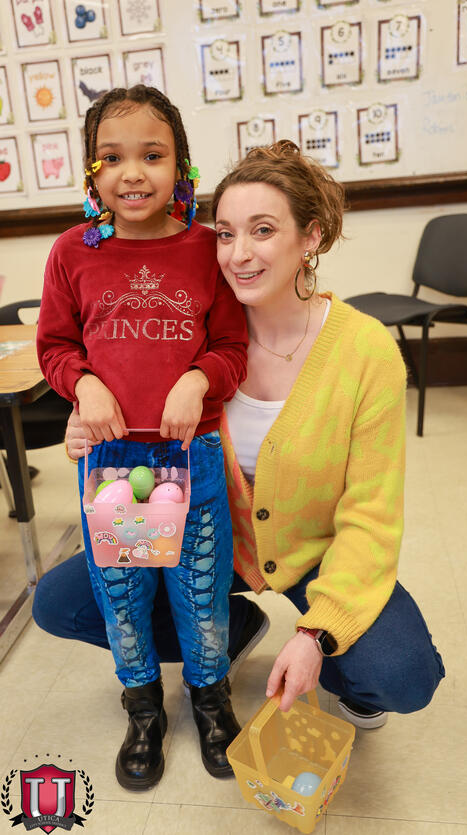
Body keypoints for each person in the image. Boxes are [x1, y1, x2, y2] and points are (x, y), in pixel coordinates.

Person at [34, 141, 444, 753]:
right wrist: (85, 425)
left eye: (263, 230)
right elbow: (126, 403)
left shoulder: (365, 352)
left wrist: (318, 636)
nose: (238, 254)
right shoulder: (191, 330)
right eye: (224, 233)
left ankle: (344, 674)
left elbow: (372, 516)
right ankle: (233, 627)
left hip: (314, 556)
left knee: (400, 674)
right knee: (64, 604)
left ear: (312, 237)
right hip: (204, 541)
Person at [36, 85, 250, 790]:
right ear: (91, 173)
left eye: (152, 155)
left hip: (193, 454)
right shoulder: (73, 252)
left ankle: (211, 695)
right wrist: (82, 384)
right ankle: (143, 704)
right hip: (117, 464)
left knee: (198, 586)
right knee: (124, 591)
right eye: (113, 157)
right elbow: (57, 345)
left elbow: (230, 346)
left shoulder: (206, 247)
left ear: (181, 167)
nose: (133, 172)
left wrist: (198, 380)